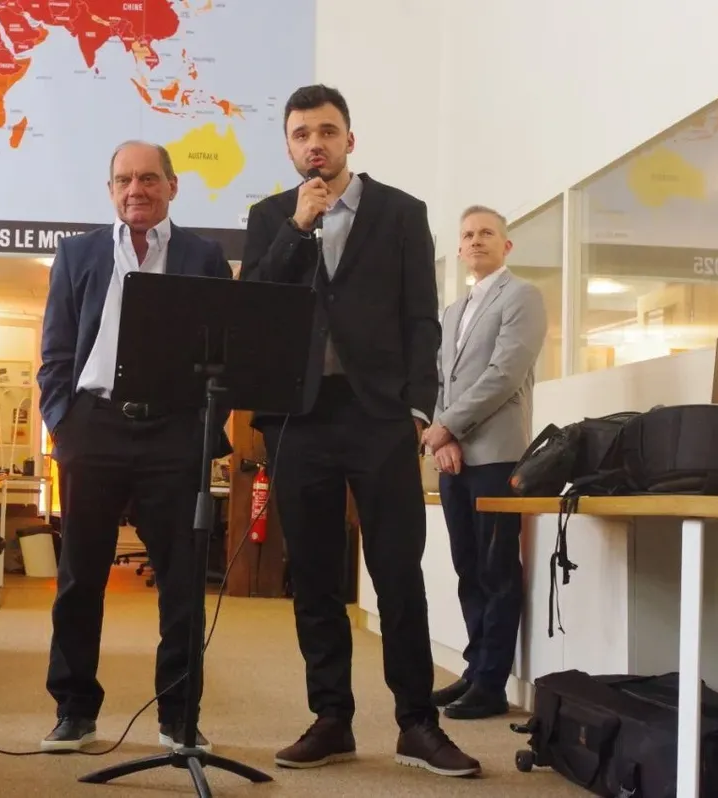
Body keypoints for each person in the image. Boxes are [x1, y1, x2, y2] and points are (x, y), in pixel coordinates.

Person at [241, 84, 481, 778]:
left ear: (349, 139)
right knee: (315, 574)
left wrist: (418, 410)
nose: (313, 145)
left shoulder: (401, 212)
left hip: (379, 416)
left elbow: (421, 319)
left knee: (397, 571)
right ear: (289, 147)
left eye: (326, 131)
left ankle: (417, 723)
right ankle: (331, 719)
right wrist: (296, 230)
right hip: (299, 416)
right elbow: (255, 305)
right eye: (300, 135)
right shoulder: (270, 217)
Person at [36, 140, 232, 753]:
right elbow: (56, 351)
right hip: (93, 428)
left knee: (181, 583)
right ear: (110, 189)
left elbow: (225, 355)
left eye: (148, 178)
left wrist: (203, 429)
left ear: (173, 186)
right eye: (123, 180)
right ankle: (74, 711)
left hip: (174, 432)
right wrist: (63, 424)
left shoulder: (204, 257)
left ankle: (179, 717)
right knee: (79, 578)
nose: (135, 190)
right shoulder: (79, 254)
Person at [422, 205, 546, 720]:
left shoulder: (523, 296)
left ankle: (492, 683)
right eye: (468, 234)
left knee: (496, 569)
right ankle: (475, 670)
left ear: (506, 245)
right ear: (459, 248)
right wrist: (441, 438)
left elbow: (503, 374)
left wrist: (448, 426)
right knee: (467, 567)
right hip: (454, 458)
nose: (476, 240)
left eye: (487, 233)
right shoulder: (454, 310)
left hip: (497, 454)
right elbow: (439, 381)